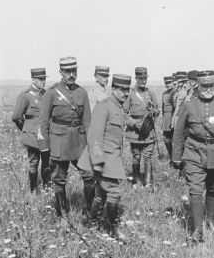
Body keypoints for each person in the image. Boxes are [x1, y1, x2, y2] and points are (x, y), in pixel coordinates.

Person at [172, 71, 214, 243]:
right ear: (199, 87)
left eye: (211, 86)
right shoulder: (188, 105)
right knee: (195, 190)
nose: (208, 89)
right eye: (204, 86)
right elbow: (179, 132)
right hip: (194, 151)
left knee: (213, 189)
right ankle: (197, 230)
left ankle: (211, 221)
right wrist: (177, 157)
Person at [78, 74, 137, 239]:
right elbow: (94, 137)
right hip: (102, 158)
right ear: (113, 89)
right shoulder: (104, 106)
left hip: (112, 157)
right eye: (122, 89)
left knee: (101, 193)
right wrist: (97, 162)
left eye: (127, 89)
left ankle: (92, 222)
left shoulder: (118, 106)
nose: (125, 93)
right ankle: (113, 229)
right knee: (114, 193)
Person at [38, 57, 95, 217]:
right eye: (67, 71)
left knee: (89, 176)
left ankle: (89, 210)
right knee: (59, 180)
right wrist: (45, 147)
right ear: (60, 72)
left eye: (73, 71)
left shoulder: (82, 92)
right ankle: (63, 213)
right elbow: (42, 121)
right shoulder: (51, 93)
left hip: (79, 142)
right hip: (59, 141)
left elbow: (88, 122)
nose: (71, 74)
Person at [12, 67, 51, 193]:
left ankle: (46, 188)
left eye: (44, 79)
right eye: (41, 79)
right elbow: (16, 117)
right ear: (33, 79)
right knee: (33, 163)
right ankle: (33, 190)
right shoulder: (25, 96)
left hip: (45, 135)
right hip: (32, 136)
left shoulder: (46, 94)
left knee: (47, 163)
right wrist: (26, 129)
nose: (43, 82)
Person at [124, 66, 160, 189]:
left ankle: (148, 183)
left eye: (145, 78)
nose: (143, 81)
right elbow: (124, 113)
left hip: (148, 130)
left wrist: (153, 111)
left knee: (148, 156)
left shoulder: (151, 93)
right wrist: (134, 123)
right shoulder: (130, 94)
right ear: (136, 78)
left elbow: (157, 110)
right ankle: (136, 181)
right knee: (136, 156)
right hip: (134, 132)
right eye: (141, 78)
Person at [161, 76, 176, 161]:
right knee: (166, 140)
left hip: (173, 119)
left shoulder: (175, 93)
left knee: (173, 141)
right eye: (166, 83)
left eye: (169, 82)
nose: (168, 84)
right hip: (166, 120)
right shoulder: (164, 94)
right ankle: (171, 156)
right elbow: (163, 109)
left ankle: (174, 159)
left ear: (173, 82)